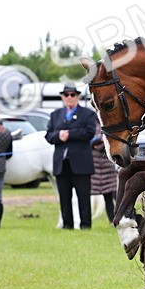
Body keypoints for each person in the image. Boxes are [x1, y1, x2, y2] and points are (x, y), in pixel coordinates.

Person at [46, 83, 96, 229]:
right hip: (62, 163)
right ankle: (67, 224)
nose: (69, 97)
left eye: (72, 95)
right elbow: (48, 135)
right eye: (66, 95)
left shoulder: (88, 114)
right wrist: (58, 135)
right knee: (64, 196)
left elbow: (89, 133)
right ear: (62, 97)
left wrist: (70, 134)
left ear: (77, 96)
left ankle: (85, 225)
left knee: (83, 197)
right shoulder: (55, 115)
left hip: (81, 163)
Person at [91, 132, 119, 221]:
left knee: (116, 194)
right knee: (106, 195)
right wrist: (100, 140)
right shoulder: (92, 123)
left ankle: (121, 216)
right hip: (97, 166)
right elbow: (90, 141)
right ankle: (111, 219)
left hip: (108, 165)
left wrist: (97, 144)